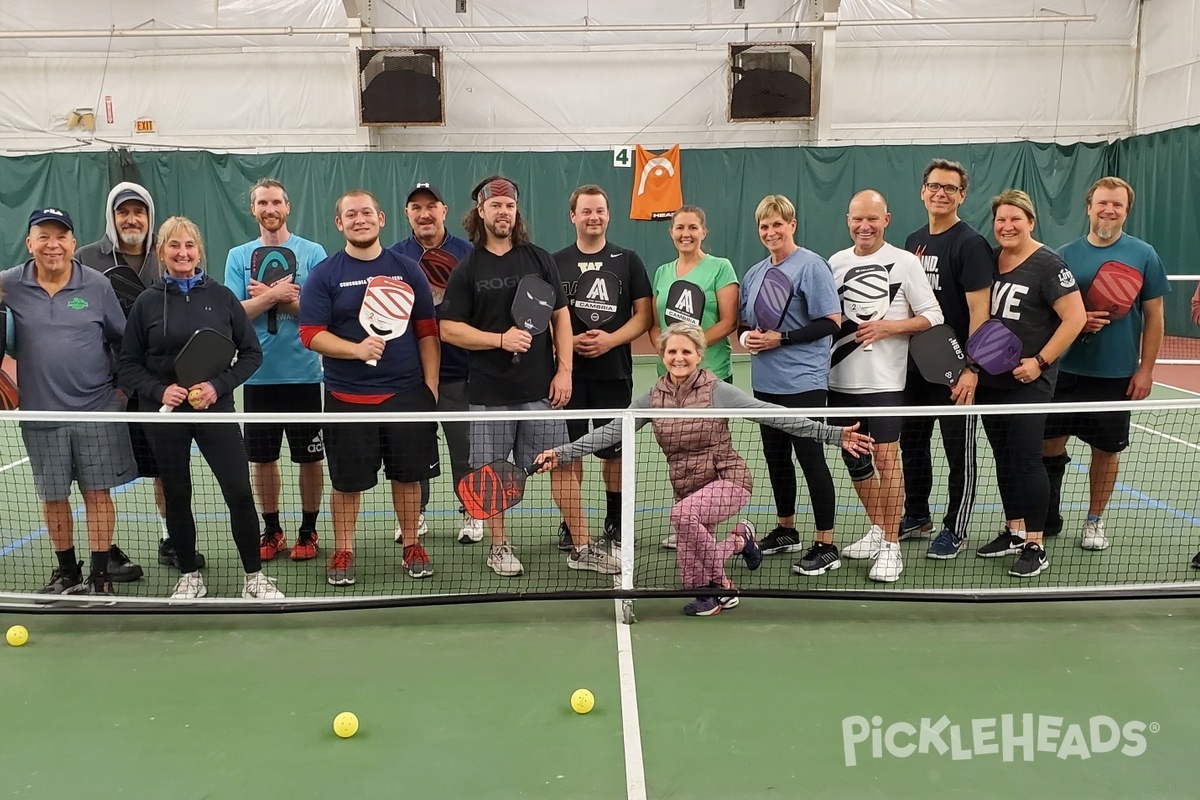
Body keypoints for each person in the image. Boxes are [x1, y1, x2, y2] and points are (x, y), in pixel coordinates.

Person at [536, 322, 874, 616]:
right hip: (688, 490)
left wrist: (831, 433)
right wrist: (562, 453)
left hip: (728, 481)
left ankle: (724, 585)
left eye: (686, 351)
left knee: (682, 518)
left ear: (699, 355)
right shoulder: (652, 398)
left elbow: (773, 414)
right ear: (662, 355)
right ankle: (740, 542)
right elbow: (610, 431)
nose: (678, 358)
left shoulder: (718, 392)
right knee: (692, 583)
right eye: (671, 352)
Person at [439, 175, 619, 577]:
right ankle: (499, 547)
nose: (503, 212)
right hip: (489, 393)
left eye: (509, 205)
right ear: (480, 211)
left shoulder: (539, 259)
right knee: (490, 475)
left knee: (561, 467)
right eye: (495, 205)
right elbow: (449, 328)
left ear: (515, 211)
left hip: (541, 390)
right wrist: (499, 339)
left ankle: (582, 546)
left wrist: (565, 371)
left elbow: (560, 317)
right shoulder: (467, 268)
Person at [118, 216, 283, 599]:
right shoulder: (146, 303)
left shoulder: (222, 297)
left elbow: (251, 353)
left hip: (216, 409)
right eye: (174, 246)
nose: (183, 253)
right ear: (162, 253)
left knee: (239, 491)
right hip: (166, 415)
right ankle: (189, 574)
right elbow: (128, 362)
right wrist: (160, 392)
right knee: (176, 493)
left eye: (189, 245)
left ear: (199, 251)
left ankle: (254, 578)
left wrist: (216, 386)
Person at [299, 190, 440, 586]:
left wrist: (429, 387)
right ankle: (343, 550)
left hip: (405, 394)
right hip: (347, 397)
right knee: (346, 483)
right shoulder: (324, 274)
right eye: (350, 214)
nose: (359, 219)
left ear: (381, 218)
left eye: (366, 213)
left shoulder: (408, 270)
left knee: (408, 477)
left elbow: (427, 330)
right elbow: (310, 334)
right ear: (339, 224)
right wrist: (355, 350)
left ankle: (412, 544)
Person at [2, 207, 143, 595]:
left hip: (96, 412)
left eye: (61, 236)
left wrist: (121, 395)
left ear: (73, 243)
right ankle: (67, 571)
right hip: (41, 414)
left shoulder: (97, 286)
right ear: (29, 242)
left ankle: (100, 577)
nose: (53, 245)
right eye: (43, 236)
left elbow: (125, 342)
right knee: (53, 498)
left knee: (97, 494)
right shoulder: (8, 285)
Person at [1042, 177, 1169, 551]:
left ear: (1126, 210)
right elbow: (1050, 310)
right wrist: (1079, 318)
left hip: (1115, 375)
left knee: (1106, 451)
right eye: (1102, 203)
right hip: (1064, 370)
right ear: (1089, 206)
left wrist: (1145, 369)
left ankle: (1095, 520)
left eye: (1117, 205)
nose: (1108, 210)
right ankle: (1047, 514)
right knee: (1048, 444)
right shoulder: (1064, 253)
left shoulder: (1144, 254)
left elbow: (1155, 316)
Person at [827, 190, 943, 583]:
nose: (865, 226)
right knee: (856, 463)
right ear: (847, 220)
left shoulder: (906, 263)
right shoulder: (835, 263)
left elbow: (932, 315)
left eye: (872, 219)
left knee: (888, 461)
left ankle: (892, 547)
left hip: (886, 385)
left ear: (886, 220)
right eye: (858, 219)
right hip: (839, 383)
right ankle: (879, 529)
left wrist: (889, 326)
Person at [972, 190, 1086, 577]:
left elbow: (1075, 318)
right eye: (1001, 220)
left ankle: (1035, 543)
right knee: (1004, 458)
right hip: (992, 380)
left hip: (1029, 381)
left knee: (1025, 458)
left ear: (1031, 222)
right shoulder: (990, 258)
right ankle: (1014, 529)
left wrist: (1040, 362)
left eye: (1015, 219)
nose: (1007, 226)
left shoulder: (1049, 264)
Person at [76, 183, 182, 570]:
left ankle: (172, 538)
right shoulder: (86, 259)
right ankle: (107, 552)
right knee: (96, 474)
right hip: (104, 387)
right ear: (112, 216)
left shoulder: (166, 256)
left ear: (150, 217)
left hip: (158, 388)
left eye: (139, 212)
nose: (132, 219)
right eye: (124, 212)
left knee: (165, 468)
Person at [736, 194, 843, 573]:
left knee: (811, 458)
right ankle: (786, 529)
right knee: (775, 458)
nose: (771, 232)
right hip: (766, 383)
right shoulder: (753, 273)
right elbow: (746, 325)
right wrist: (748, 337)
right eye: (764, 226)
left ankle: (826, 544)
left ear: (792, 225)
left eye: (778, 224)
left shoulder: (812, 266)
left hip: (804, 383)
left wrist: (781, 339)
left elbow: (832, 321)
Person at [224, 178, 328, 564]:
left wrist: (268, 299)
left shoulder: (313, 252)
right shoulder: (238, 256)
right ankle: (272, 529)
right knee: (262, 460)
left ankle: (308, 530)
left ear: (288, 207)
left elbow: (320, 312)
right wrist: (278, 296)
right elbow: (236, 314)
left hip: (304, 377)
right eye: (262, 203)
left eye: (276, 202)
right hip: (257, 377)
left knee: (309, 459)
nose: (270, 209)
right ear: (253, 210)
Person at [900, 160, 994, 559]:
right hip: (915, 368)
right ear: (922, 191)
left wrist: (971, 368)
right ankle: (916, 514)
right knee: (913, 445)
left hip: (957, 371)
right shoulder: (912, 240)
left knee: (961, 453)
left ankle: (955, 528)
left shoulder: (971, 245)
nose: (940, 193)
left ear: (962, 196)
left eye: (950, 188)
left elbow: (980, 313)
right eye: (934, 186)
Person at [552, 184, 653, 551]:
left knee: (613, 451)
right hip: (567, 379)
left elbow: (644, 317)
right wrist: (566, 344)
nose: (593, 217)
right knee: (570, 451)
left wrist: (611, 340)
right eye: (586, 211)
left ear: (608, 216)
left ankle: (615, 520)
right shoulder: (554, 261)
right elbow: (546, 319)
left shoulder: (628, 260)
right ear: (573, 216)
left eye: (600, 211)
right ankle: (572, 523)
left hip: (614, 374)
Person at [389, 182, 479, 545]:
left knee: (466, 448)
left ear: (444, 210)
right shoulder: (394, 256)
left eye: (431, 206)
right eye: (416, 207)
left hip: (461, 373)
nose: (424, 214)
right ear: (406, 214)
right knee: (413, 449)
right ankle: (415, 516)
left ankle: (472, 511)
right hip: (410, 375)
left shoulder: (470, 254)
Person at [649, 205, 739, 382]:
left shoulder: (721, 267)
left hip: (711, 374)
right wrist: (666, 350)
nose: (686, 234)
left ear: (703, 232)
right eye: (680, 227)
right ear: (671, 232)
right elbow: (655, 325)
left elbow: (729, 322)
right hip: (670, 375)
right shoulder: (662, 272)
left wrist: (688, 347)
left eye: (693, 228)